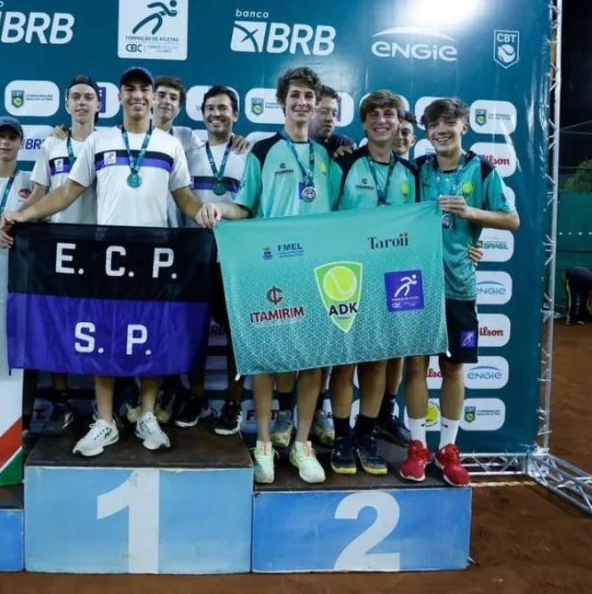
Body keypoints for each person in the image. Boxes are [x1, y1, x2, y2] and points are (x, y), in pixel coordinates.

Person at [0, 66, 218, 458]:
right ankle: (105, 421)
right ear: (119, 97)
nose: (137, 95)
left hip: (154, 255)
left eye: (144, 89)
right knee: (105, 336)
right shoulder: (99, 141)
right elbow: (67, 191)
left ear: (152, 97)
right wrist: (24, 215)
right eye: (129, 89)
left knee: (151, 334)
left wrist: (202, 212)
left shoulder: (170, 145)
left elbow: (184, 197)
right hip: (107, 254)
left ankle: (147, 414)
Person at [209, 66, 335, 485]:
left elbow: (344, 217)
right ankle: (263, 442)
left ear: (316, 104)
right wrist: (217, 208)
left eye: (308, 96)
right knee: (265, 359)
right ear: (282, 102)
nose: (302, 102)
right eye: (295, 95)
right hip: (271, 273)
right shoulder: (262, 152)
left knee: (313, 362)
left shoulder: (328, 157)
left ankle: (302, 443)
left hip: (316, 274)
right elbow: (244, 207)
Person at [400, 98, 520, 487]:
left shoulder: (482, 170)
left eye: (449, 123)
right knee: (416, 366)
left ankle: (448, 448)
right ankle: (418, 446)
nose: (441, 130)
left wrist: (471, 213)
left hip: (459, 286)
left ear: (463, 127)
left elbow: (511, 219)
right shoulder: (418, 169)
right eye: (434, 125)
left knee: (453, 368)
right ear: (426, 132)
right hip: (418, 286)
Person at [327, 90, 418, 476]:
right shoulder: (344, 165)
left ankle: (367, 434)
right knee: (344, 363)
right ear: (364, 123)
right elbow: (325, 220)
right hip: (347, 278)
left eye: (389, 114)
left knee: (378, 361)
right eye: (374, 115)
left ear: (399, 122)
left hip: (391, 280)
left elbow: (422, 228)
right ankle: (342, 436)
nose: (382, 120)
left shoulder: (410, 174)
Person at [21, 76, 102, 435]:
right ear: (67, 104)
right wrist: (13, 217)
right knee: (57, 322)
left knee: (100, 323)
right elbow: (39, 195)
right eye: (76, 97)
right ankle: (61, 397)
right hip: (57, 246)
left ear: (99, 104)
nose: (82, 103)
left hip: (98, 248)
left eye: (88, 97)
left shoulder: (109, 142)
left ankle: (107, 402)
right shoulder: (51, 145)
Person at [170, 85, 247, 434]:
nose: (217, 114)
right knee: (193, 332)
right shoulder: (188, 153)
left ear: (235, 114)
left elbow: (251, 207)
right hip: (195, 257)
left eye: (223, 108)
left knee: (238, 336)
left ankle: (234, 402)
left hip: (233, 259)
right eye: (210, 108)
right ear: (202, 115)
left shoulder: (248, 155)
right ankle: (198, 397)